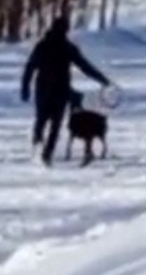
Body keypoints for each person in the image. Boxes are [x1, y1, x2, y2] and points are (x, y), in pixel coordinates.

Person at [21, 16, 111, 165]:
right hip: (60, 91)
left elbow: (30, 67)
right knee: (55, 125)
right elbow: (85, 66)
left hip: (43, 90)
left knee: (41, 120)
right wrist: (102, 79)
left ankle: (38, 146)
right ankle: (47, 154)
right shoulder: (67, 47)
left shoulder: (42, 46)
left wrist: (25, 87)